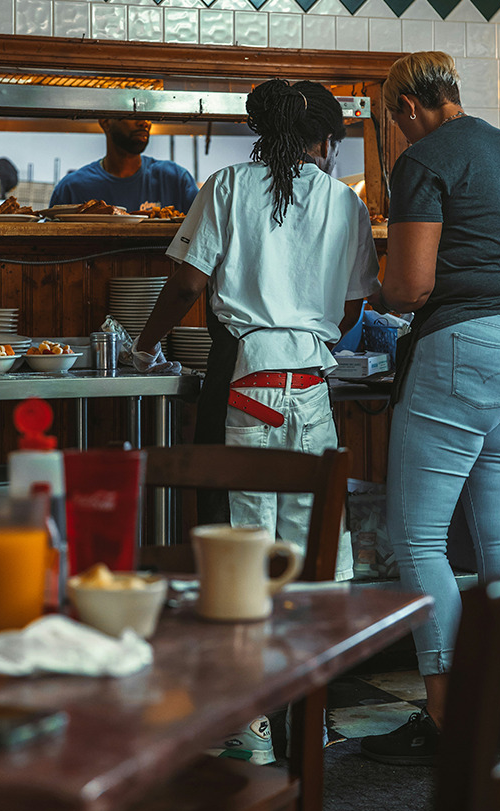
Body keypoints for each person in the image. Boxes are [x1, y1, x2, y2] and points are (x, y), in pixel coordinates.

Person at [132, 77, 381, 763]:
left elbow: (186, 282)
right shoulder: (345, 202)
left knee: (241, 554)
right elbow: (356, 305)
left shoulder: (229, 186)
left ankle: (248, 727)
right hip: (312, 390)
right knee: (311, 557)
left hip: (241, 377)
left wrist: (143, 344)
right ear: (328, 140)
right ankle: (311, 713)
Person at [359, 51, 500, 766]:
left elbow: (411, 286)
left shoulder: (425, 159)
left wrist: (377, 296)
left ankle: (446, 719)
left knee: (419, 537)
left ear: (407, 107)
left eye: (392, 121)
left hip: (465, 350)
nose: (396, 133)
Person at [49, 118, 199, 212]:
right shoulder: (72, 188)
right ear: (106, 122)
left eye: (149, 115)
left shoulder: (176, 179)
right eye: (132, 115)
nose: (144, 122)